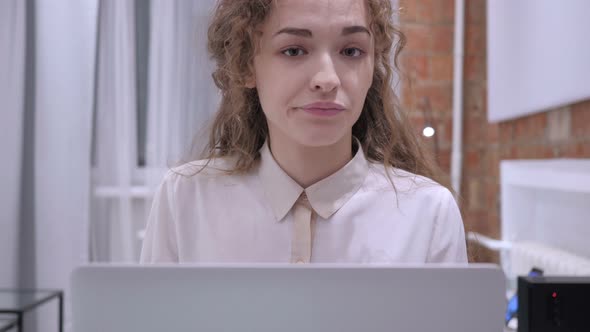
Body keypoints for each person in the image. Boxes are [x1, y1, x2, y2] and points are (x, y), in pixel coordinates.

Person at [139, 0, 468, 264]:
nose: (327, 78)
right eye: (294, 50)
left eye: (351, 51)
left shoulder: (428, 214)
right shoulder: (185, 199)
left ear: (374, 66)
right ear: (245, 66)